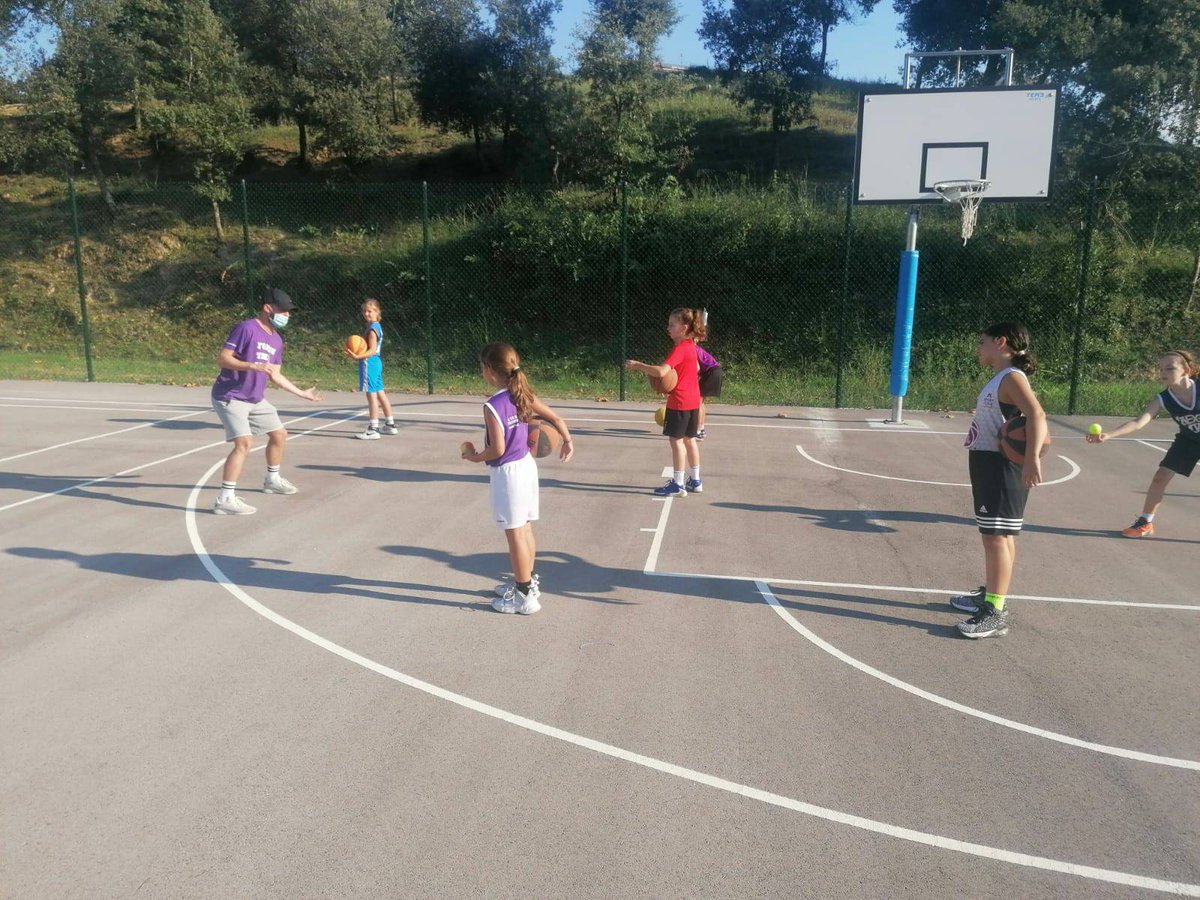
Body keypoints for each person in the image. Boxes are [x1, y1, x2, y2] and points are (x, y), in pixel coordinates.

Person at [950, 322, 1047, 638]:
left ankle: (994, 611)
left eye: (983, 342)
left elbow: (1036, 415)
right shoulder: (1003, 378)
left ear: (1001, 342)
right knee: (999, 536)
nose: (979, 348)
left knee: (996, 538)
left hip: (1001, 466)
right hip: (989, 462)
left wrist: (1031, 458)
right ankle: (994, 594)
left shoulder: (1012, 377)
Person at [462, 342, 573, 615]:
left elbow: (497, 449)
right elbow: (556, 418)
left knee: (514, 536)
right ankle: (527, 582)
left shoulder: (492, 405)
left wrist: (474, 457)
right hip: (526, 467)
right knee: (524, 529)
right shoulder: (521, 393)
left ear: (489, 371)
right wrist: (568, 441)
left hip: (508, 474)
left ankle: (524, 598)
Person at [210, 287, 321, 515]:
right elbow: (223, 359)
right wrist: (251, 365)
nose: (287, 316)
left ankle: (272, 480)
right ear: (267, 308)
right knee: (244, 444)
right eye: (283, 311)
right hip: (230, 396)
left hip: (255, 398)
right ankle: (225, 499)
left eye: (289, 313)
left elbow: (276, 374)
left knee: (279, 434)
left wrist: (302, 393)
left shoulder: (276, 340)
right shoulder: (246, 328)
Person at [1086, 350, 1199, 537]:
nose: (1163, 372)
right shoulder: (1163, 398)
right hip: (1188, 440)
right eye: (1161, 369)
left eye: (1170, 368)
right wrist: (1108, 435)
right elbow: (1138, 422)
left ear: (1186, 369)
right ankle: (1145, 523)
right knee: (1160, 477)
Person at [627, 308, 704, 496]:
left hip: (680, 402)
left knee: (676, 441)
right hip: (694, 400)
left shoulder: (680, 348)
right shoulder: (691, 346)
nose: (668, 328)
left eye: (672, 325)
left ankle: (678, 484)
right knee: (690, 440)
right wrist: (673, 384)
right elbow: (696, 367)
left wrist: (638, 365)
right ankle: (695, 480)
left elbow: (662, 372)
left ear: (684, 328)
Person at [344, 298, 397, 440]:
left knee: (371, 395)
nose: (367, 314)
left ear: (377, 312)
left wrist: (357, 356)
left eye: (370, 311)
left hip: (370, 363)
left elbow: (372, 350)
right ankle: (390, 424)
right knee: (380, 393)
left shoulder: (372, 329)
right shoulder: (376, 326)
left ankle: (373, 428)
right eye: (365, 311)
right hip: (376, 363)